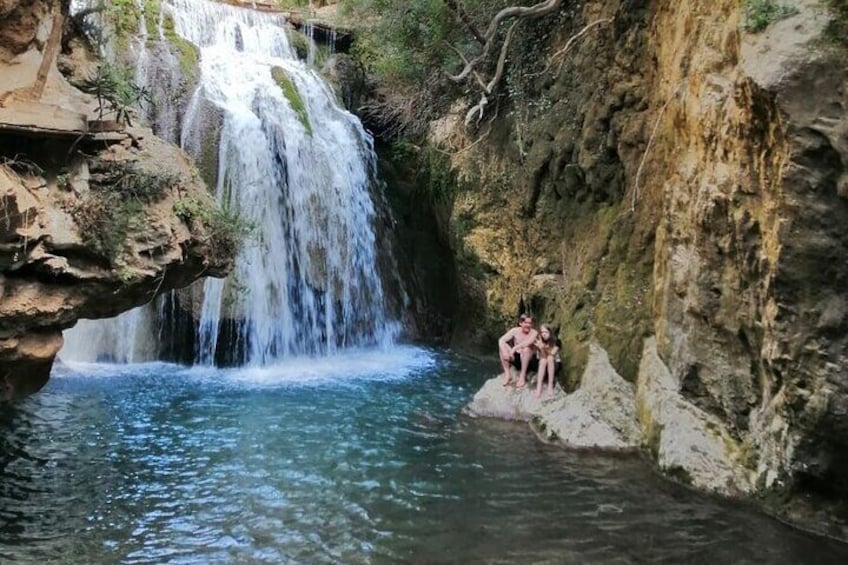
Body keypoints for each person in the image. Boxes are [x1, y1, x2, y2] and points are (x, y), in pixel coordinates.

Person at [498, 313, 538, 388]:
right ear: (520, 323)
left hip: (529, 361)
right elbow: (501, 340)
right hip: (517, 358)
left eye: (530, 323)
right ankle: (507, 374)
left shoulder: (534, 333)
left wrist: (514, 348)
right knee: (502, 346)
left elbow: (527, 343)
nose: (528, 325)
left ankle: (522, 376)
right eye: (526, 323)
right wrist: (504, 352)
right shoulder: (515, 331)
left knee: (526, 349)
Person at [534, 324, 561, 398]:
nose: (544, 334)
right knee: (543, 360)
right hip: (543, 365)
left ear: (550, 332)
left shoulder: (556, 341)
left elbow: (552, 354)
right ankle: (539, 387)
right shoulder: (539, 341)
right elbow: (542, 357)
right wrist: (541, 348)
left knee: (549, 358)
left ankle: (550, 385)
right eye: (542, 332)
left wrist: (544, 347)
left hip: (554, 364)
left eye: (546, 332)